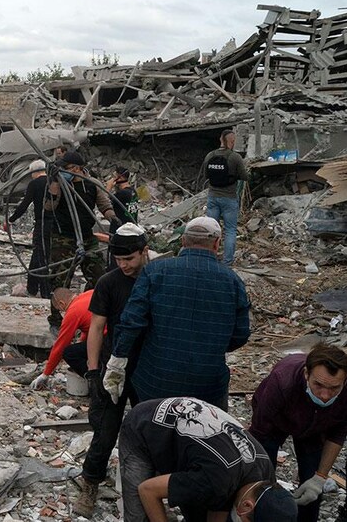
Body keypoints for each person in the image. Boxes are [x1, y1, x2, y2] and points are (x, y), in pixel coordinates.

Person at [104, 217, 251, 411]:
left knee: (155, 433)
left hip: (156, 382)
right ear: (217, 243)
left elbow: (131, 322)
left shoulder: (155, 272)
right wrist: (210, 348)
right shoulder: (232, 281)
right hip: (208, 385)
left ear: (182, 241)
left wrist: (117, 361)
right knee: (203, 436)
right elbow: (240, 334)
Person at [72, 223, 148, 517]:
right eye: (118, 260)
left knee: (149, 431)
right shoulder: (108, 282)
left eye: (129, 259)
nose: (124, 265)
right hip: (114, 364)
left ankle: (147, 489)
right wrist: (93, 372)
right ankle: (90, 481)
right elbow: (96, 328)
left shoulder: (155, 278)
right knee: (105, 431)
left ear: (144, 252)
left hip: (146, 367)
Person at [119, 397, 297, 522]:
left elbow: (220, 504)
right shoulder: (215, 481)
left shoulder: (266, 476)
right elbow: (147, 490)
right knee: (139, 515)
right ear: (247, 506)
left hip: (195, 449)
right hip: (143, 426)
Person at [248, 344, 347, 522]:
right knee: (263, 478)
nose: (325, 395)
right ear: (306, 374)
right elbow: (259, 432)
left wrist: (320, 477)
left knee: (312, 484)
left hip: (317, 426)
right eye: (318, 385)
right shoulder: (282, 381)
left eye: (334, 388)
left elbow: (338, 434)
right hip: (276, 421)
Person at [43, 151, 119, 327]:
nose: (63, 171)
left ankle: (89, 309)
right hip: (63, 238)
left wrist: (114, 220)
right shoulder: (61, 184)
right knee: (61, 280)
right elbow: (49, 206)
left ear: (77, 168)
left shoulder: (92, 184)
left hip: (87, 237)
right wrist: (54, 182)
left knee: (99, 276)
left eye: (66, 168)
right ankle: (55, 319)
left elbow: (104, 205)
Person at [6, 159, 54, 299]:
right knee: (37, 254)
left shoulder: (35, 184)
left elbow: (24, 204)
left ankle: (46, 292)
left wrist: (11, 218)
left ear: (34, 171)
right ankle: (32, 287)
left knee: (42, 257)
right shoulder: (54, 181)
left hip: (42, 223)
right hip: (55, 224)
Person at [29, 288, 94, 388]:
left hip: (106, 340)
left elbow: (60, 346)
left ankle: (95, 381)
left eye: (60, 310)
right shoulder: (88, 294)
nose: (63, 312)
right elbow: (89, 326)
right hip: (117, 331)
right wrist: (81, 342)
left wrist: (45, 374)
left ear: (62, 303)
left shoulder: (73, 312)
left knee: (69, 353)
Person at [203, 129, 249, 266]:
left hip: (212, 197)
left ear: (220, 140)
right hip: (229, 198)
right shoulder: (235, 157)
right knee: (230, 230)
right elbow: (245, 177)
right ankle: (227, 261)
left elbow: (206, 176)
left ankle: (209, 258)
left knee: (211, 229)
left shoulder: (210, 155)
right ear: (232, 141)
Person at [105, 166, 139, 271]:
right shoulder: (133, 191)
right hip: (130, 228)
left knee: (116, 260)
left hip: (119, 231)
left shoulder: (121, 194)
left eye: (114, 176)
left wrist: (108, 187)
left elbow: (104, 201)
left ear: (119, 178)